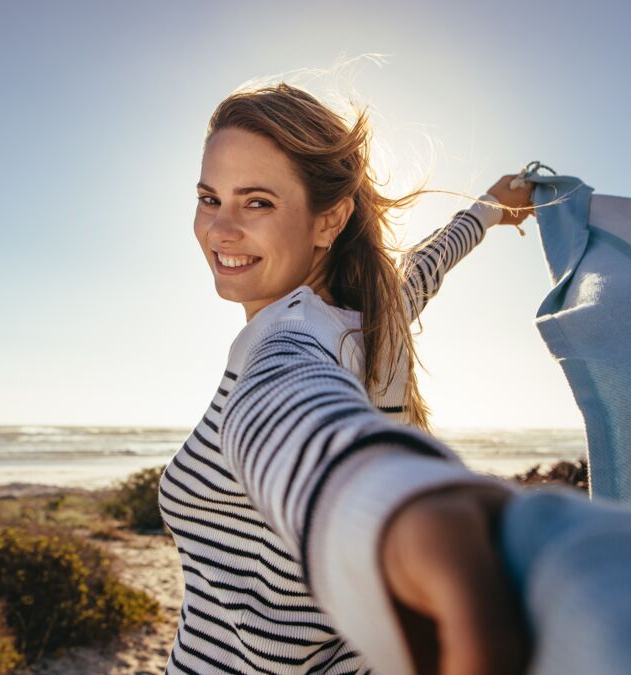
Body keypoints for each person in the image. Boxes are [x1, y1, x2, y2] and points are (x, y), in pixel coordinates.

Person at [156, 81, 535, 674]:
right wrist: (489, 208)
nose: (219, 230)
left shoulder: (285, 343)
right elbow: (429, 263)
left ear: (328, 220)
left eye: (257, 202)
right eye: (210, 198)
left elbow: (295, 414)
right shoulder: (376, 314)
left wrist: (394, 509)